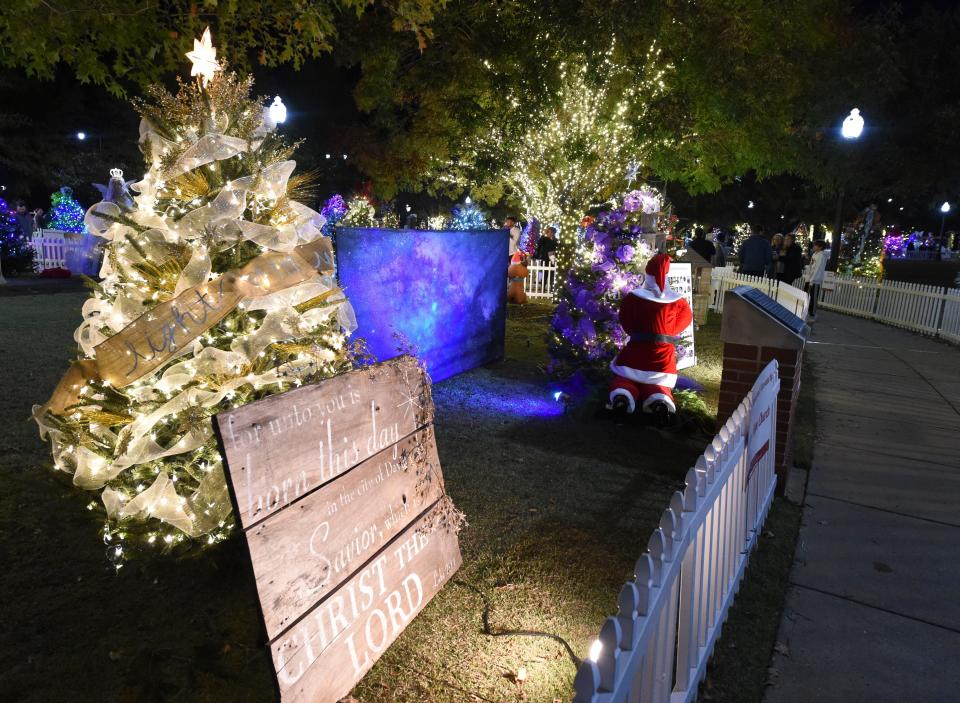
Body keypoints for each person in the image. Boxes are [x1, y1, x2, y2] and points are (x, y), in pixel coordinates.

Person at [805, 240, 829, 321]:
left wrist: (813, 279)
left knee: (813, 296)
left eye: (815, 245)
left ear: (820, 247)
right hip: (810, 278)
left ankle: (813, 312)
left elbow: (818, 268)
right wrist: (808, 277)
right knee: (807, 295)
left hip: (815, 280)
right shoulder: (815, 254)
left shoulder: (821, 256)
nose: (813, 247)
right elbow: (811, 266)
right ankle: (807, 310)